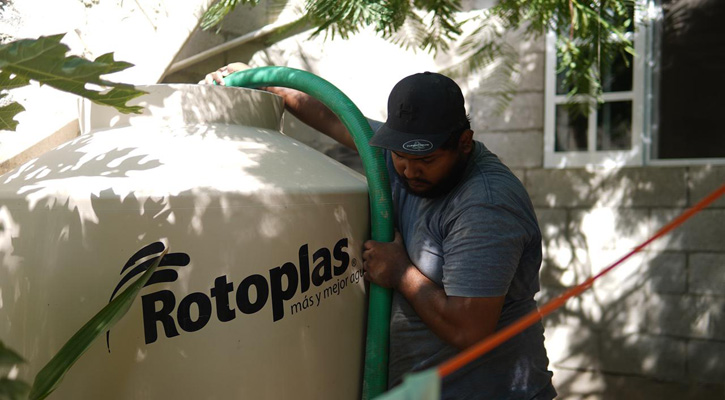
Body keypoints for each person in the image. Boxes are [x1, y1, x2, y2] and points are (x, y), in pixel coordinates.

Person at [204, 65, 556, 399]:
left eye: (426, 161)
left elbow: (469, 329)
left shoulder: (484, 206)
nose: (408, 170)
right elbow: (332, 118)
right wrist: (265, 82)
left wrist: (402, 272)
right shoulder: (404, 152)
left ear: (464, 142)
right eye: (400, 156)